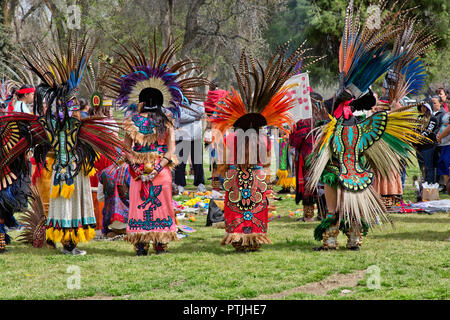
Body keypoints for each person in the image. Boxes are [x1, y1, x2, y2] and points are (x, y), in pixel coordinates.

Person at [307, 1, 433, 251]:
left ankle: (334, 239)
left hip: (338, 172)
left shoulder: (335, 127)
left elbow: (324, 144)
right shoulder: (365, 126)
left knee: (333, 204)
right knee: (347, 203)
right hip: (357, 174)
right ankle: (351, 237)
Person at [1, 33, 125, 255]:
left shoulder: (55, 123)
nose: (75, 107)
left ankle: (65, 240)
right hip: (67, 170)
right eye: (72, 103)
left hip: (67, 169)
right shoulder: (61, 123)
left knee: (66, 205)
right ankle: (67, 243)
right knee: (66, 205)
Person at [101, 36, 209, 255]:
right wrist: (141, 167)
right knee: (141, 205)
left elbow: (170, 150)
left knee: (160, 205)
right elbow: (128, 149)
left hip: (151, 170)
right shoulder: (134, 120)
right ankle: (143, 242)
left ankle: (158, 241)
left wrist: (153, 167)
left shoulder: (162, 120)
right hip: (143, 170)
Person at [208, 43, 318, 252]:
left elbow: (221, 162)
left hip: (235, 176)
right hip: (257, 177)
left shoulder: (230, 137)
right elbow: (266, 160)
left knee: (236, 208)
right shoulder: (263, 139)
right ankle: (254, 239)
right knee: (255, 207)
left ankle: (238, 238)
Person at [174, 100, 207, 194]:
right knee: (180, 162)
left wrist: (188, 114)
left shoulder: (199, 102)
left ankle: (200, 183)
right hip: (181, 135)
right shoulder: (178, 102)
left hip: (196, 135)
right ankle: (180, 185)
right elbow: (179, 116)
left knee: (198, 162)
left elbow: (200, 113)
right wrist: (194, 117)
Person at [415, 102, 439, 184]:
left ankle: (430, 184)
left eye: (424, 107)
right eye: (421, 107)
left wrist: (418, 138)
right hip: (418, 147)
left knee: (429, 167)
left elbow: (428, 131)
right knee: (422, 167)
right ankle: (424, 185)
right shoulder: (419, 118)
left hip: (428, 147)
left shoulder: (433, 119)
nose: (422, 109)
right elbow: (415, 130)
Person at [436, 110, 450, 192]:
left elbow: (448, 129)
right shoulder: (446, 114)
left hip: (448, 143)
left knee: (447, 163)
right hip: (443, 144)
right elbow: (443, 125)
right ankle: (446, 186)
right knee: (442, 164)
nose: (448, 104)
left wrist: (440, 136)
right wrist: (438, 134)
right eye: (447, 102)